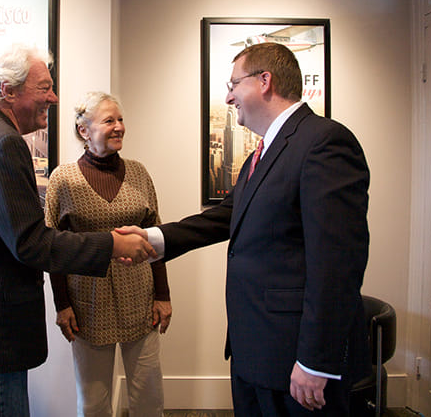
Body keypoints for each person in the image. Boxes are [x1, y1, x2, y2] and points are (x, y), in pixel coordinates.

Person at [119, 42, 370, 416]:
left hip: (295, 360)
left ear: (264, 81)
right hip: (254, 348)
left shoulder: (323, 142)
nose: (228, 96)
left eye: (233, 84)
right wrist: (153, 238)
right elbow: (225, 217)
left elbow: (337, 264)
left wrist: (316, 361)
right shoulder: (262, 152)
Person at [0, 45, 156, 417]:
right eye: (44, 87)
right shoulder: (3, 144)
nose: (54, 97)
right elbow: (30, 243)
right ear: (7, 91)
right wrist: (111, 243)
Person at [46, 92, 171, 417]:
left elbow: (155, 238)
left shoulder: (139, 173)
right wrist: (62, 305)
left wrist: (163, 295)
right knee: (94, 403)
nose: (119, 127)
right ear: (84, 130)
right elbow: (52, 250)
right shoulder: (63, 180)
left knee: (148, 398)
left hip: (139, 300)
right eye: (109, 121)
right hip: (87, 305)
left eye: (120, 119)